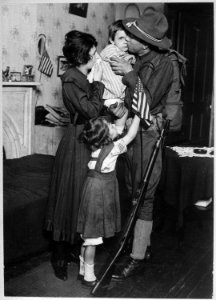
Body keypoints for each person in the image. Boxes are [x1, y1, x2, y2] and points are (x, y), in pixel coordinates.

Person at [108, 8, 174, 280]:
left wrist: (128, 72)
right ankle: (136, 245)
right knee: (131, 188)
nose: (127, 39)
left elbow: (146, 103)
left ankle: (136, 256)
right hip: (133, 134)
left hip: (148, 133)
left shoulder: (164, 65)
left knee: (144, 194)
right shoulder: (140, 58)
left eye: (131, 36)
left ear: (145, 42)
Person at [44, 30, 105, 281]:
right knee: (67, 197)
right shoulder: (71, 78)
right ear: (83, 54)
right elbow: (91, 109)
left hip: (84, 139)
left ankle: (69, 248)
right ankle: (58, 255)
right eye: (93, 51)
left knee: (79, 196)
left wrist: (94, 82)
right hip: (76, 142)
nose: (96, 54)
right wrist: (98, 83)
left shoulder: (80, 75)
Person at [76, 109, 141, 287]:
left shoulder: (96, 144)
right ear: (107, 136)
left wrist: (126, 112)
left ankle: (82, 269)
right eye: (110, 125)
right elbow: (131, 134)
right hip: (99, 193)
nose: (114, 125)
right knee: (92, 240)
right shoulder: (112, 150)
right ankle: (89, 275)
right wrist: (138, 115)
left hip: (90, 188)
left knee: (87, 235)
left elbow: (119, 128)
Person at [88, 20, 135, 108]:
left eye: (127, 38)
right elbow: (116, 58)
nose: (125, 41)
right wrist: (130, 58)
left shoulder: (124, 52)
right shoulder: (110, 49)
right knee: (121, 113)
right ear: (112, 40)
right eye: (121, 38)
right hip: (108, 96)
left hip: (117, 95)